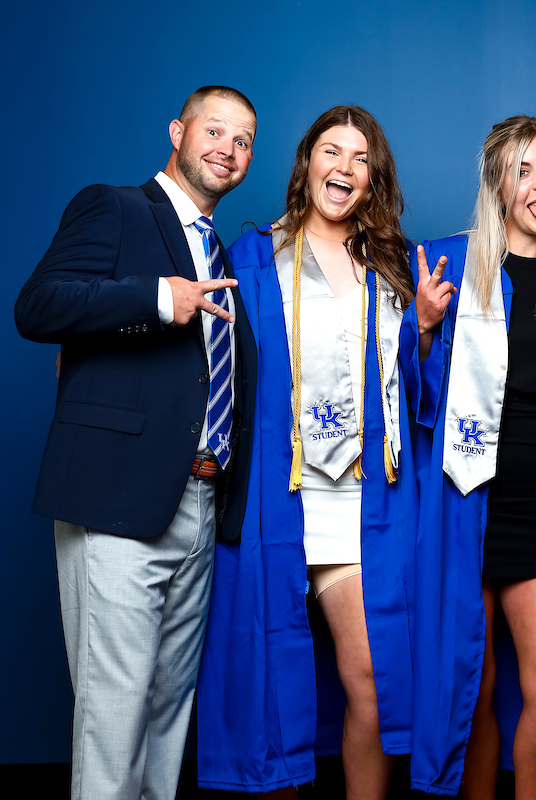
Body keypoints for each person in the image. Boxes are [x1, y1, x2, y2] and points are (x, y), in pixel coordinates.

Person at [14, 86, 258, 800]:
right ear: (178, 132)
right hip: (117, 499)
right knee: (114, 716)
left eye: (243, 141)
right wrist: (157, 298)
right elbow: (39, 305)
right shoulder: (116, 208)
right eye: (215, 131)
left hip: (201, 502)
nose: (228, 149)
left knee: (164, 718)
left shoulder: (220, 251)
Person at [194, 106, 419, 800]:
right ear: (307, 163)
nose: (344, 167)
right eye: (331, 151)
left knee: (374, 680)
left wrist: (425, 330)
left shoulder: (395, 265)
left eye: (360, 157)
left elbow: (414, 385)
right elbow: (214, 364)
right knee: (268, 687)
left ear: (374, 177)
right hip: (278, 498)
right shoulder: (255, 255)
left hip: (363, 506)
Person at [405, 115, 536, 800]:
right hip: (466, 502)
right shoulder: (447, 265)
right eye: (522, 171)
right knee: (473, 684)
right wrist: (422, 329)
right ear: (497, 186)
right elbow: (405, 396)